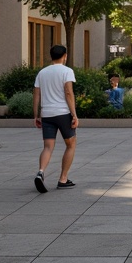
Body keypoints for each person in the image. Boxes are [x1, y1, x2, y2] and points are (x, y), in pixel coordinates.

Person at [33, 44, 78, 192]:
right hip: (63, 113)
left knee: (48, 147)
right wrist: (74, 114)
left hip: (47, 114)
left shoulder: (42, 73)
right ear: (65, 56)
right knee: (70, 145)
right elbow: (68, 93)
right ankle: (63, 179)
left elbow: (37, 95)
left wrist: (36, 115)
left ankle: (41, 172)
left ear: (51, 56)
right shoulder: (67, 71)